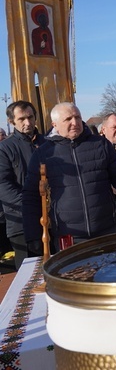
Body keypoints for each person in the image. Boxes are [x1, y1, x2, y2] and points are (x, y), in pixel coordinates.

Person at [22, 103, 116, 253]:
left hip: (106, 229)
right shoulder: (43, 154)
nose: (75, 122)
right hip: (69, 235)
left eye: (77, 117)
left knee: (112, 274)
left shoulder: (100, 144)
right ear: (55, 124)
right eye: (68, 119)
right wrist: (33, 235)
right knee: (76, 276)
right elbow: (30, 196)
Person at [0, 101, 45, 268]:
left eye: (31, 117)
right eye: (22, 119)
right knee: (30, 274)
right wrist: (33, 205)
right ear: (12, 121)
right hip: (21, 222)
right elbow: (3, 186)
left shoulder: (49, 143)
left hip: (53, 219)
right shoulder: (4, 149)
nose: (28, 123)